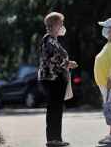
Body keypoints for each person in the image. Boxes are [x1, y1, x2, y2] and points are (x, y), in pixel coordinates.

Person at [38, 12, 78, 147]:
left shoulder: (53, 40)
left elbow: (57, 58)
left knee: (56, 109)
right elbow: (54, 59)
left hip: (55, 79)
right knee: (54, 109)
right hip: (52, 79)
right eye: (61, 23)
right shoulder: (49, 40)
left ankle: (56, 139)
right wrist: (68, 64)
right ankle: (53, 139)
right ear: (54, 25)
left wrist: (67, 63)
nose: (62, 26)